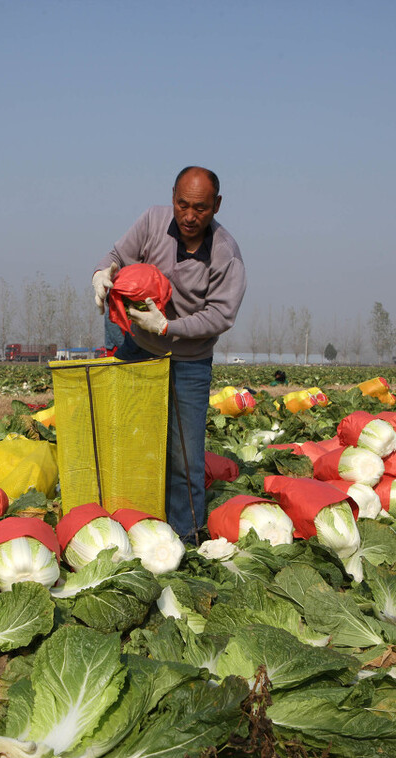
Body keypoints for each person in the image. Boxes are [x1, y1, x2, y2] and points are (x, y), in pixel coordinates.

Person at [91, 166, 247, 543]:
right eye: (182, 205)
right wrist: (103, 272)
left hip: (189, 362)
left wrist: (167, 327)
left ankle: (186, 537)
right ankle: (127, 523)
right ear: (172, 197)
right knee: (128, 439)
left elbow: (220, 315)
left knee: (185, 457)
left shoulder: (226, 254)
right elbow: (117, 255)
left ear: (217, 206)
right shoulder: (152, 220)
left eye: (201, 208)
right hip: (138, 350)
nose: (190, 216)